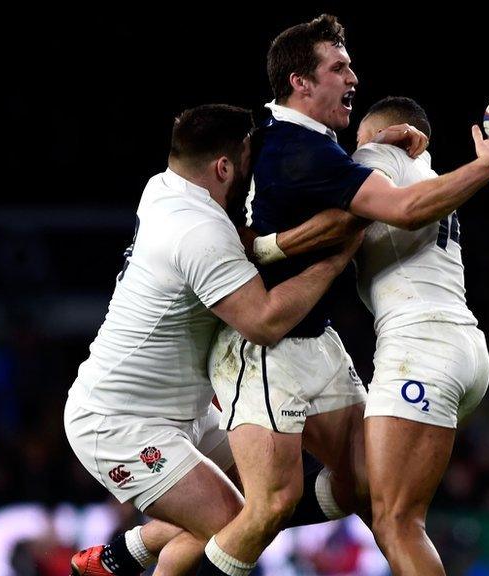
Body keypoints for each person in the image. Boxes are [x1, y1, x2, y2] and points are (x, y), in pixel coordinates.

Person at [198, 15, 489, 576]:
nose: (352, 76)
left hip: (339, 341)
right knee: (280, 505)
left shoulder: (322, 150)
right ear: (300, 81)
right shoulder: (304, 150)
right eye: (338, 67)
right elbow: (396, 207)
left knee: (370, 499)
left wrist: (373, 144)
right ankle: (162, 539)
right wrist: (485, 167)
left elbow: (340, 200)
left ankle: (178, 532)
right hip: (267, 347)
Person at [63, 104, 361, 576]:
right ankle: (124, 555)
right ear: (223, 168)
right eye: (247, 159)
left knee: (272, 497)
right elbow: (264, 321)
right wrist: (334, 260)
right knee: (231, 525)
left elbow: (241, 243)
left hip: (188, 413)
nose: (254, 169)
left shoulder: (165, 186)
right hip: (119, 424)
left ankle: (120, 556)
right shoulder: (200, 231)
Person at [259, 96, 489, 575]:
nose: (351, 148)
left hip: (420, 349)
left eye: (360, 137)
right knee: (367, 489)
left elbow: (342, 199)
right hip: (464, 350)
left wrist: (265, 247)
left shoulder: (377, 161)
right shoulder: (429, 177)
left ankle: (252, 512)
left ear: (383, 134)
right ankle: (254, 513)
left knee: (396, 521)